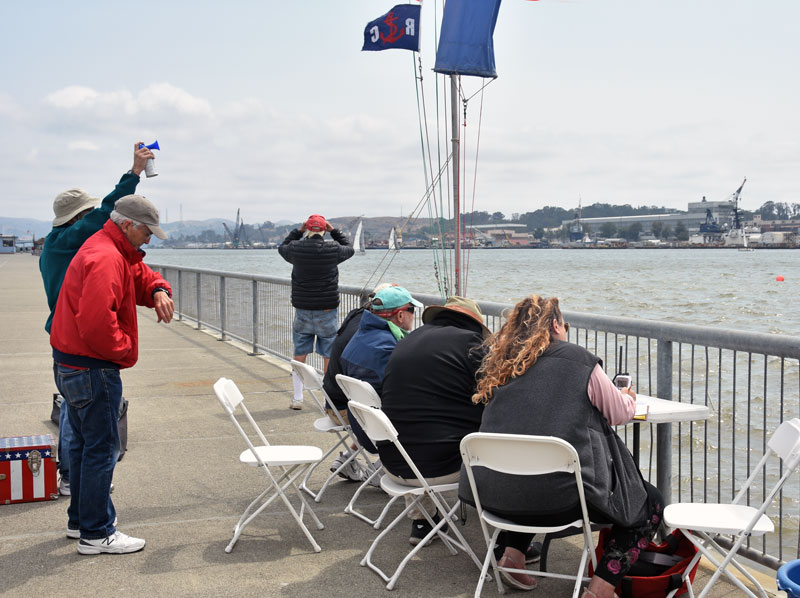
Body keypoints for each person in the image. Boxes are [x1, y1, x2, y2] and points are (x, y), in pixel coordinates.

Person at [460, 295, 663, 597]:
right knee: (649, 503)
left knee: (530, 473)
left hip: (495, 497)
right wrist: (628, 397)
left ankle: (513, 557)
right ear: (555, 325)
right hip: (560, 501)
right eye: (564, 324)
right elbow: (618, 413)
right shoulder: (578, 360)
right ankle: (601, 588)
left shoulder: (502, 366)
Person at [50, 194, 174, 555]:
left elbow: (139, 273)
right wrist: (123, 351)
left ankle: (81, 522)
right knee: (103, 449)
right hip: (92, 367)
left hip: (72, 362)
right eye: (147, 231)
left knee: (86, 444)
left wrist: (158, 288)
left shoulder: (108, 247)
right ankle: (97, 532)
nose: (150, 238)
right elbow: (96, 324)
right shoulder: (106, 257)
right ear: (127, 225)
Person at [39, 142, 155, 497]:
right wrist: (133, 174)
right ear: (78, 219)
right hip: (83, 347)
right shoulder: (70, 240)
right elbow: (105, 213)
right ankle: (78, 483)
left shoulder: (61, 244)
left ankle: (75, 480)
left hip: (66, 341)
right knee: (87, 428)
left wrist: (157, 288)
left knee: (76, 416)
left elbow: (135, 268)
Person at [379, 296, 488, 546]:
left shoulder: (408, 340)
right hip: (437, 469)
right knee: (500, 435)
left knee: (412, 425)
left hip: (393, 462)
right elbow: (496, 396)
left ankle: (422, 520)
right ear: (473, 324)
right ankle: (507, 540)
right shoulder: (471, 344)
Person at [322, 283, 396, 482]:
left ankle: (348, 459)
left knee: (369, 402)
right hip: (347, 411)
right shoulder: (371, 338)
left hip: (335, 403)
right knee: (392, 410)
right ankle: (385, 469)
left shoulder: (358, 321)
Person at [279, 214, 354, 409]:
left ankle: (297, 397)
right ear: (323, 230)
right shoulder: (333, 249)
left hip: (303, 309)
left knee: (300, 353)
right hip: (327, 310)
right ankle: (326, 399)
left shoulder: (295, 248)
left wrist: (298, 231)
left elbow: (282, 247)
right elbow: (350, 248)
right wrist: (334, 231)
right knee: (328, 354)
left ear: (308, 229)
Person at [339, 286, 420, 458]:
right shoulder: (389, 349)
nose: (414, 315)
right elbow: (409, 394)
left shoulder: (358, 338)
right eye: (411, 310)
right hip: (385, 436)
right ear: (400, 315)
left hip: (360, 426)